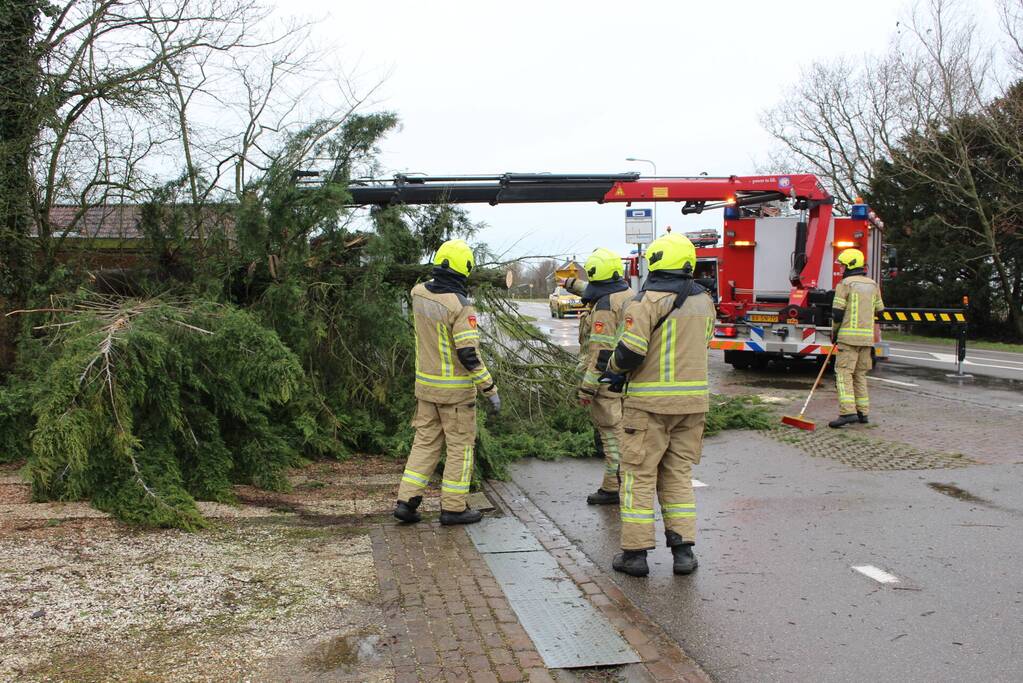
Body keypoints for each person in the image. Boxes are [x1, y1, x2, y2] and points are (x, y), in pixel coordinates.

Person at [600, 233, 715, 577]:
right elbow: (704, 342)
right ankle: (684, 553)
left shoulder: (645, 302)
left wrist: (613, 373)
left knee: (638, 475)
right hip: (692, 406)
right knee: (678, 475)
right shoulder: (705, 301)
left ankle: (635, 555)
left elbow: (630, 351)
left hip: (648, 406)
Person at [393, 240, 500, 525]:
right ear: (464, 269)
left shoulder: (418, 294)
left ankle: (407, 501)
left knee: (424, 444)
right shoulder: (461, 307)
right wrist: (489, 388)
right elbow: (469, 355)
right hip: (455, 395)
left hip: (426, 389)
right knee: (460, 448)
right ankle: (453, 507)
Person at [561, 248, 634, 505]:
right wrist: (570, 284)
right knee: (621, 432)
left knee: (611, 434)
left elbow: (601, 355)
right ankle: (616, 483)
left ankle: (616, 487)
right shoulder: (626, 294)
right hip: (626, 377)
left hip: (606, 381)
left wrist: (587, 388)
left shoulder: (604, 307)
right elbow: (593, 290)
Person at [829, 248, 884, 429]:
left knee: (844, 374)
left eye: (843, 265)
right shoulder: (873, 285)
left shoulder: (845, 284)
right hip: (867, 340)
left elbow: (837, 314)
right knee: (860, 375)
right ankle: (863, 413)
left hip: (848, 339)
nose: (841, 268)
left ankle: (847, 412)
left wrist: (834, 333)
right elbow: (880, 310)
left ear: (850, 264)